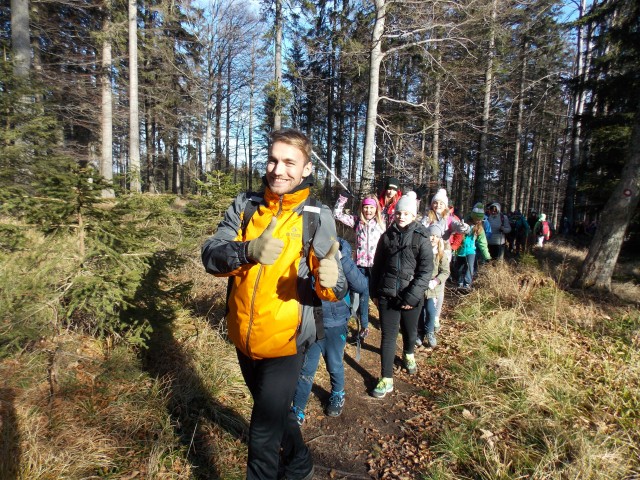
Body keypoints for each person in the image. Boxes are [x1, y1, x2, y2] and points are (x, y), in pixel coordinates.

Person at [201, 128, 347, 480]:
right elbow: (210, 255)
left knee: (264, 432)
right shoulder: (246, 205)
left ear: (306, 169)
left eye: (289, 162)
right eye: (273, 159)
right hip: (243, 339)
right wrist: (247, 251)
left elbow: (336, 284)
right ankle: (299, 463)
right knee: (275, 414)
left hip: (286, 342)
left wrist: (330, 281)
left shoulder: (316, 215)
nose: (278, 170)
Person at [291, 238, 368, 424]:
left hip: (336, 323)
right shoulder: (306, 249)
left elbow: (361, 285)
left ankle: (337, 393)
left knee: (334, 363)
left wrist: (341, 258)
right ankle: (298, 408)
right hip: (312, 322)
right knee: (306, 368)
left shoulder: (341, 252)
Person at [369, 191, 434, 398]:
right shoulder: (386, 237)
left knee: (409, 331)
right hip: (387, 295)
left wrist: (411, 297)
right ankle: (386, 378)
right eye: (399, 213)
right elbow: (376, 267)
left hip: (411, 297)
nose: (401, 216)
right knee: (388, 337)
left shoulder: (421, 238)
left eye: (406, 213)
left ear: (413, 215)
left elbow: (425, 272)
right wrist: (374, 292)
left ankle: (408, 354)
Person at [333, 192, 386, 339]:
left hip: (376, 266)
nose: (368, 211)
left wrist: (416, 200)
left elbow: (403, 216)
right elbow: (337, 214)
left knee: (378, 295)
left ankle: (385, 319)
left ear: (376, 209)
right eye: (366, 207)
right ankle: (364, 326)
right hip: (361, 265)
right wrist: (343, 197)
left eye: (371, 208)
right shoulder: (357, 222)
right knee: (363, 294)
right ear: (362, 208)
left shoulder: (382, 223)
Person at [420, 189, 467, 334]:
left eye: (441, 203)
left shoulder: (450, 219)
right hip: (427, 252)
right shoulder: (427, 217)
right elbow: (420, 228)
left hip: (442, 254)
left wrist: (463, 227)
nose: (438, 205)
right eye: (435, 202)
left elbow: (457, 227)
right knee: (425, 282)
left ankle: (435, 317)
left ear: (445, 205)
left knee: (439, 287)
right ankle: (422, 317)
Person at [417, 223, 449, 348]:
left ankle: (429, 332)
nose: (433, 238)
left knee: (430, 311)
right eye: (431, 235)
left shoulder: (441, 255)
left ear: (439, 238)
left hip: (433, 289)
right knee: (419, 311)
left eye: (436, 236)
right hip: (420, 287)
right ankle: (420, 333)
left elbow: (445, 271)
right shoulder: (420, 251)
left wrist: (436, 281)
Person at [458, 205, 491, 290]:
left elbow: (483, 242)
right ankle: (460, 282)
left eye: (480, 219)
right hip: (460, 250)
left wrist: (487, 256)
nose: (478, 220)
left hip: (471, 250)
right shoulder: (463, 223)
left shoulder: (480, 228)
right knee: (460, 267)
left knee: (470, 267)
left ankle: (467, 284)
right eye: (477, 218)